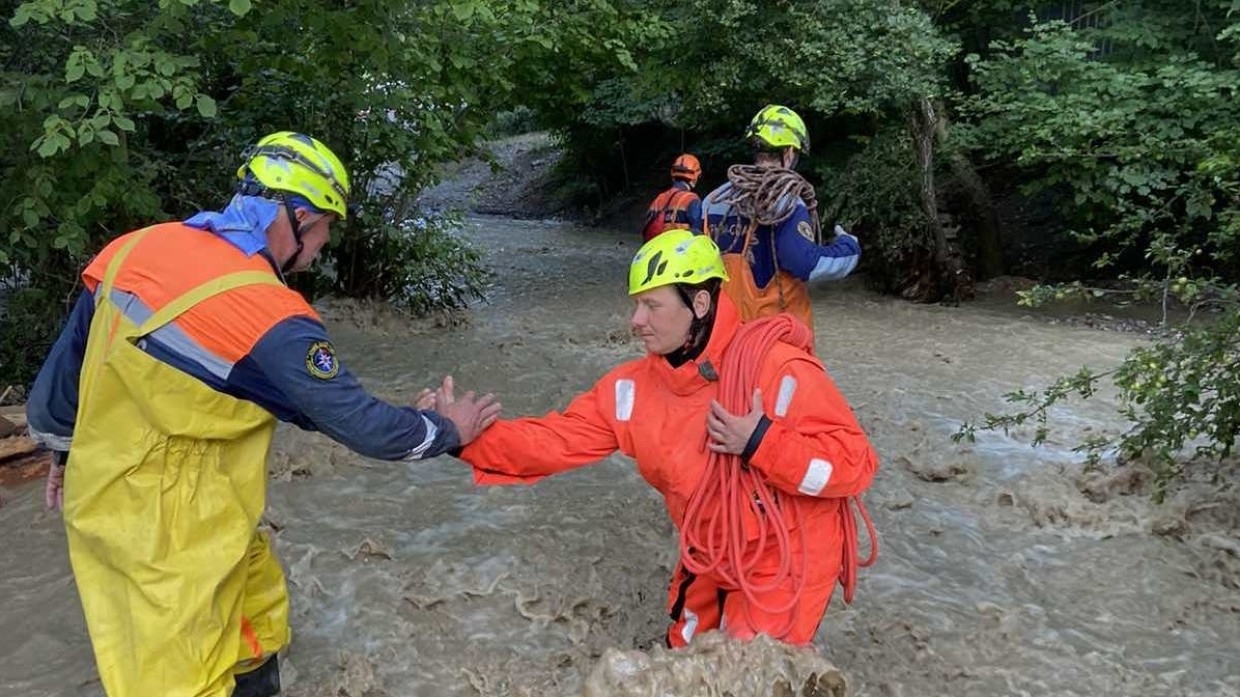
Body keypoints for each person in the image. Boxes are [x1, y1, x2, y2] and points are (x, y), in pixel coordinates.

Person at [24, 131, 501, 697]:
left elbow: (65, 373)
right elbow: (359, 426)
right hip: (167, 521)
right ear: (297, 217)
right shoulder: (266, 313)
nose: (324, 244)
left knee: (255, 617)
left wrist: (63, 450)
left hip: (127, 482)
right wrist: (448, 429)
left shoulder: (134, 249)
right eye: (326, 226)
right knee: (179, 676)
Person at [431, 230, 877, 648]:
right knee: (685, 653)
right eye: (636, 305)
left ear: (700, 303)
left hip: (788, 554)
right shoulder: (633, 390)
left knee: (743, 669)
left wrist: (762, 440)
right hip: (712, 545)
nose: (635, 321)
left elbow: (855, 464)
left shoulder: (778, 371)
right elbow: (553, 441)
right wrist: (460, 436)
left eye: (651, 306)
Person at [702, 105, 862, 333]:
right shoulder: (787, 204)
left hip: (719, 333)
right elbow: (805, 263)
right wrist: (849, 248)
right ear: (788, 153)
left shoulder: (713, 201)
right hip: (768, 340)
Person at [640, 153, 704, 241]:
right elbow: (697, 235)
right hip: (678, 251)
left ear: (673, 174)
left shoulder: (659, 198)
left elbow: (647, 229)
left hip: (654, 247)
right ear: (695, 176)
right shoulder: (692, 199)